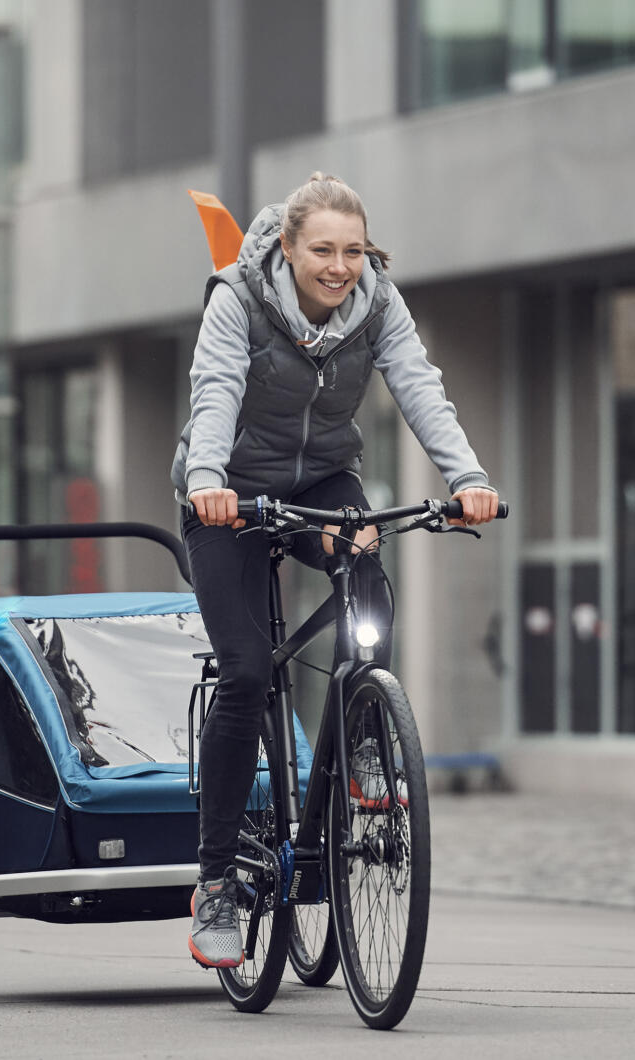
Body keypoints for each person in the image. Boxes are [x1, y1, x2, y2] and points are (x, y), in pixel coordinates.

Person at [171, 172, 498, 969]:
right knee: (247, 673)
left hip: (321, 482)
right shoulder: (237, 299)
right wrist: (209, 481)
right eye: (323, 249)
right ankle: (215, 882)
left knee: (367, 592)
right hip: (230, 493)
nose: (340, 265)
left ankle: (359, 744)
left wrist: (468, 479)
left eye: (353, 250)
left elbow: (420, 385)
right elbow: (215, 389)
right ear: (287, 247)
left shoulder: (377, 302)